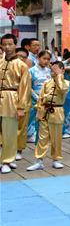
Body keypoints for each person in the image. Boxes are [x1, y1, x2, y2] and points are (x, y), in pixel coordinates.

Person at [25, 61, 70, 171]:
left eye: (56, 70)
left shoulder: (66, 83)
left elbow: (62, 89)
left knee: (56, 138)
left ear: (62, 70)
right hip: (45, 111)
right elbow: (40, 98)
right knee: (42, 138)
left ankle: (56, 159)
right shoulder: (47, 83)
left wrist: (59, 76)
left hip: (57, 111)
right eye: (52, 70)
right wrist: (39, 112)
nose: (53, 72)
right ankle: (39, 161)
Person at [0, 35, 31, 173]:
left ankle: (7, 160)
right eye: (4, 44)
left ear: (15, 45)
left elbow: (25, 88)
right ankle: (6, 158)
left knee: (10, 132)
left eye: (10, 44)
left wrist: (21, 107)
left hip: (11, 99)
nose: (7, 47)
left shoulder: (21, 65)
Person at [27, 51, 52, 143]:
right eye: (44, 58)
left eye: (48, 59)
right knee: (33, 117)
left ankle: (42, 135)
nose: (46, 61)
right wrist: (37, 97)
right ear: (38, 58)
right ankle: (30, 135)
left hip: (47, 98)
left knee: (45, 118)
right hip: (35, 97)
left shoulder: (49, 71)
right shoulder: (31, 71)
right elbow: (29, 86)